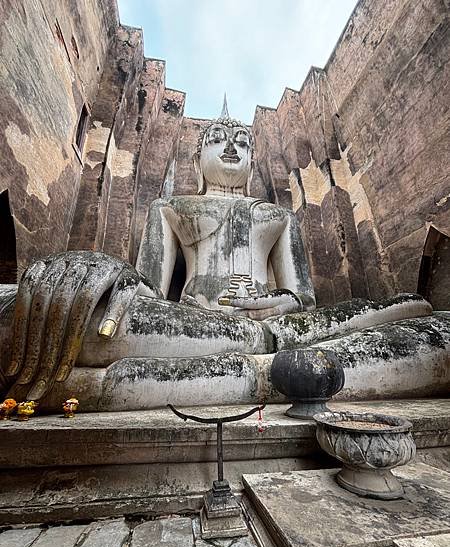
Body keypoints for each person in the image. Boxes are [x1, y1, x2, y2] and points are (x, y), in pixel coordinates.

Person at [0, 114, 447, 411]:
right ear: (198, 158)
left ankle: (263, 368)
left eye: (241, 142)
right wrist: (112, 272)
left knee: (417, 310)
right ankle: (272, 373)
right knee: (100, 318)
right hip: (193, 320)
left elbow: (302, 298)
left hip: (276, 327)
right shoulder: (171, 207)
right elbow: (149, 290)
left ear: (253, 160)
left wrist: (268, 302)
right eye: (218, 140)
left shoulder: (277, 216)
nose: (232, 147)